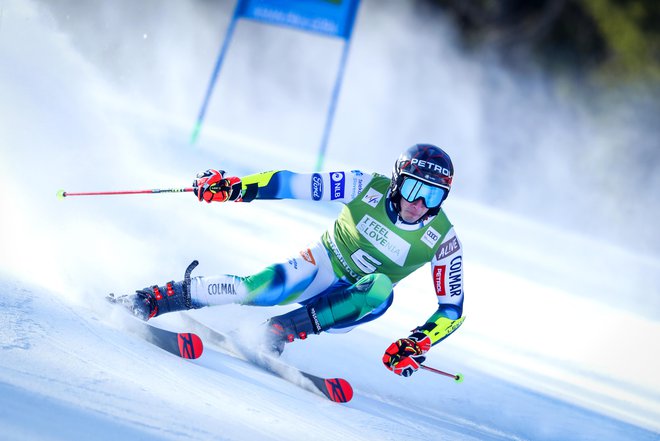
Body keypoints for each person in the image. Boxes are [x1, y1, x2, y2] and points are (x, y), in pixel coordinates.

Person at [114, 143, 465, 378]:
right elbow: (291, 184)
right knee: (255, 289)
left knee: (381, 288)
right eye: (413, 189)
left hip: (356, 303)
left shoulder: (443, 239)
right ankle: (150, 299)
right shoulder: (364, 186)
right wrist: (236, 187)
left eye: (433, 195)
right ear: (396, 182)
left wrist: (418, 343)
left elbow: (452, 310)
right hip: (322, 265)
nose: (419, 203)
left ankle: (276, 333)